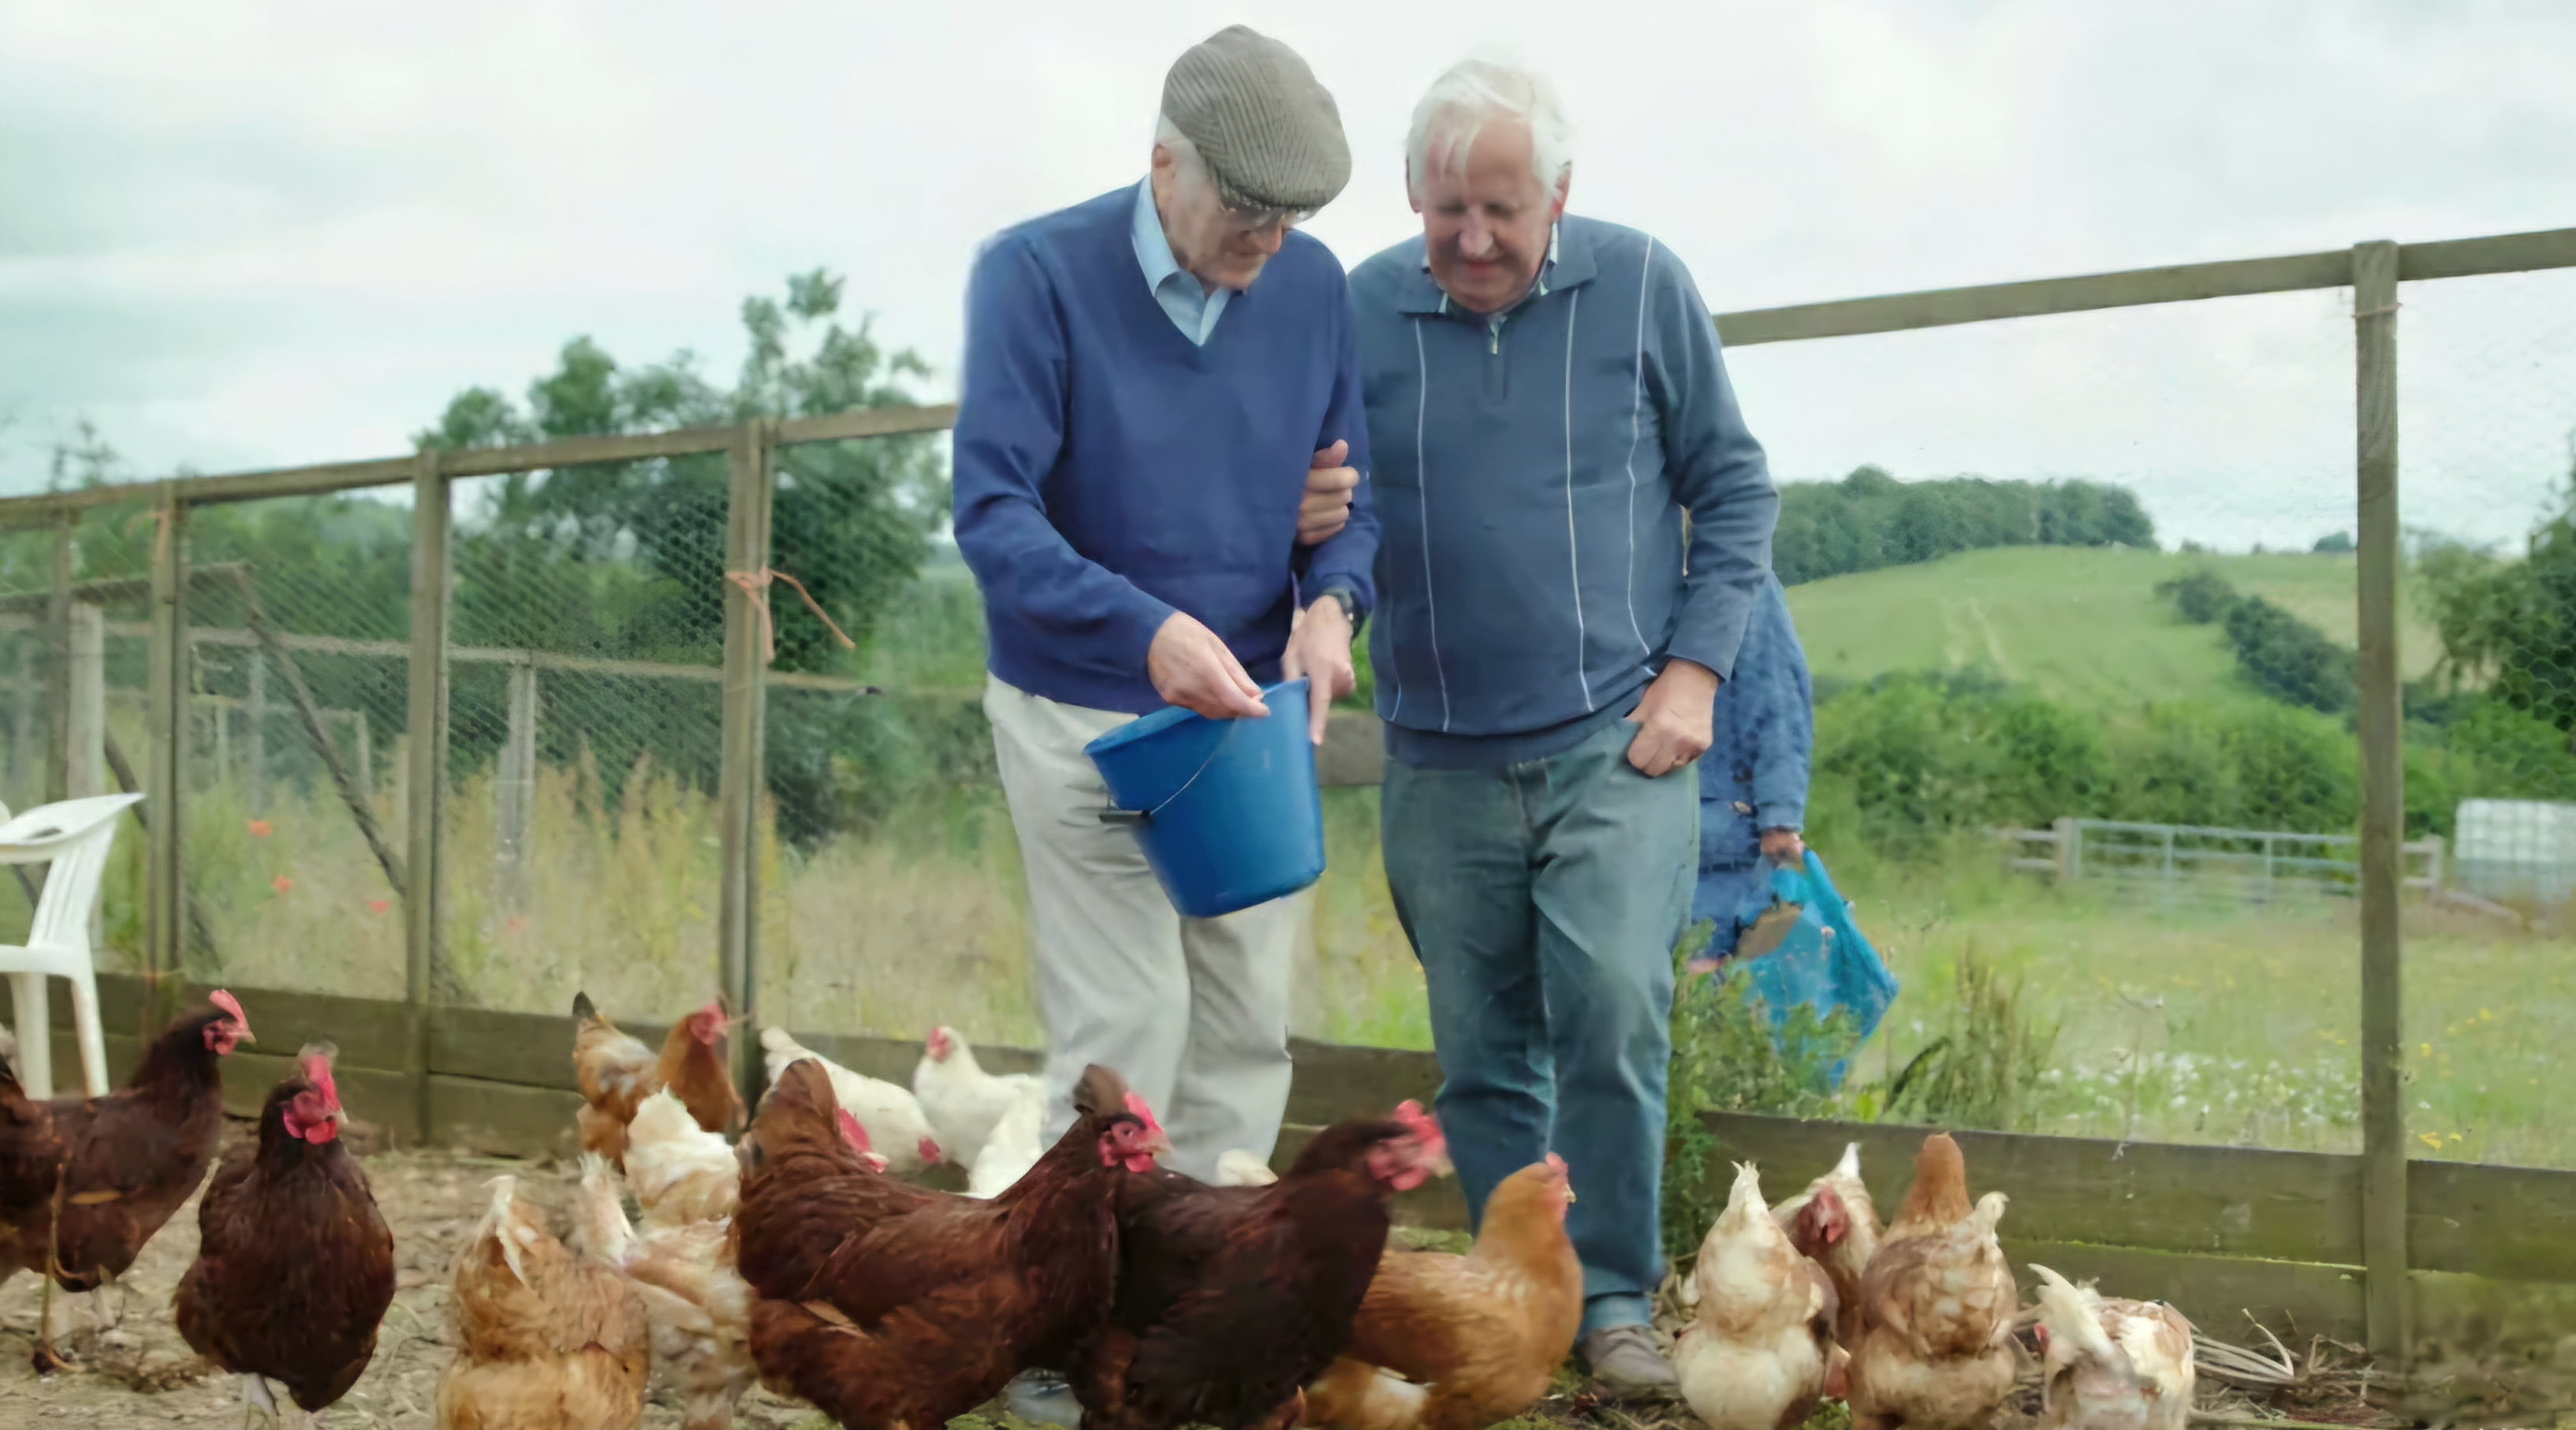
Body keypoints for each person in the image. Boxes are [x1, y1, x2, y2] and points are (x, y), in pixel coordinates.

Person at [1347, 60, 1780, 1400]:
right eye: (1445, 208)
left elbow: (1735, 486)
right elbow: (1302, 490)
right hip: (1434, 749)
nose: (1472, 238)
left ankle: (1606, 1296)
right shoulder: (1356, 311)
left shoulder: (1643, 284)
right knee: (1478, 1040)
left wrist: (1697, 672)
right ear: (1414, 197)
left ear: (1560, 196)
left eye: (1501, 207)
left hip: (1616, 735)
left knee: (1607, 1003)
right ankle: (1512, 1304)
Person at [950, 4, 1374, 1268]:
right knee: (1122, 1027)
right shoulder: (1031, 276)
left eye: (1291, 213)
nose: (1270, 236)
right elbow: (994, 516)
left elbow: (1351, 502)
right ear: (1163, 164)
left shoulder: (1308, 290)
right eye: (1245, 206)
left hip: (1242, 716)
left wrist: (1328, 603)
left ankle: (1196, 1303)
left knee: (1247, 1023)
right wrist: (1143, 631)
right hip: (1086, 707)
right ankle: (1062, 1310)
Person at [1687, 573, 1815, 973]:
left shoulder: (1744, 579)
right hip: (1628, 824)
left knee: (1710, 984)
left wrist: (1779, 816)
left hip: (1719, 837)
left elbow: (1778, 698)